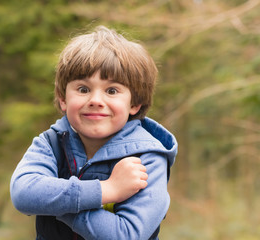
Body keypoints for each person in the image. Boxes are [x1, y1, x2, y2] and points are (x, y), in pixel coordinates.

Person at [10, 26, 177, 240]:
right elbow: (23, 194)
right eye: (83, 89)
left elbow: (126, 235)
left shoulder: (147, 158)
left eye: (112, 91)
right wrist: (106, 190)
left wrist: (56, 205)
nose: (96, 100)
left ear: (135, 103)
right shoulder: (50, 144)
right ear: (63, 99)